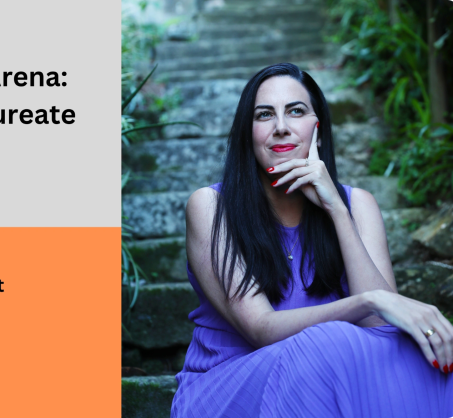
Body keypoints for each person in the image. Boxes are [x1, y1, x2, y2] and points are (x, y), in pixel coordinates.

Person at [170, 63, 453, 417]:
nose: (281, 127)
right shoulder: (211, 207)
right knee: (326, 342)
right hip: (229, 388)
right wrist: (371, 300)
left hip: (330, 378)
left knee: (423, 354)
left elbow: (381, 329)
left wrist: (336, 208)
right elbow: (261, 328)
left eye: (296, 111)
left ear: (317, 129)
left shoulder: (357, 204)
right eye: (264, 115)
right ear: (248, 133)